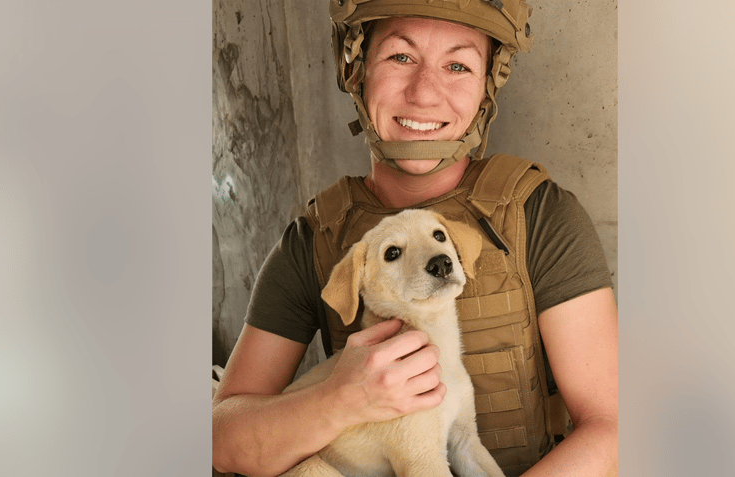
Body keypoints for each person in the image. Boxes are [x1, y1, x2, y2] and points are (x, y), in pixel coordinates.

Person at [213, 1, 617, 476]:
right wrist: (339, 399)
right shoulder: (314, 240)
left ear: (486, 85)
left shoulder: (540, 215)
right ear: (357, 70)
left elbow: (612, 427)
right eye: (400, 57)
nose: (425, 93)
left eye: (458, 65)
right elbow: (220, 441)